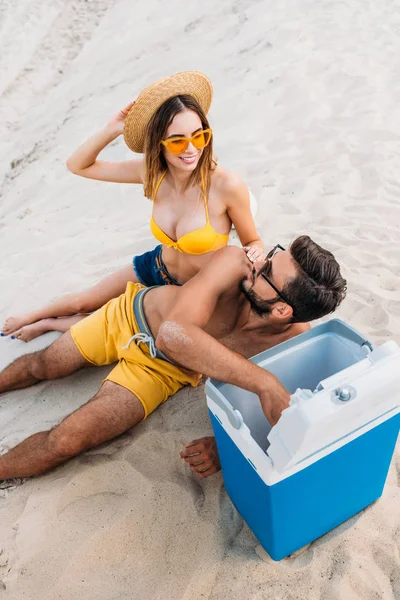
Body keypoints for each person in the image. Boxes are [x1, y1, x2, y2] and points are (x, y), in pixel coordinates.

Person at [0, 236, 346, 482]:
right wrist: (264, 382)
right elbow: (173, 334)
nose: (259, 261)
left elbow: (293, 416)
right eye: (273, 254)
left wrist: (226, 449)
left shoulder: (296, 342)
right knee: (43, 366)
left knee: (67, 440)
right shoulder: (232, 263)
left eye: (268, 269)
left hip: (162, 372)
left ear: (283, 309)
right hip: (127, 317)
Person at [1, 71, 263, 343]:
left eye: (199, 136)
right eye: (177, 140)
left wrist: (254, 252)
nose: (190, 149)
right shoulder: (152, 173)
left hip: (189, 291)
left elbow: (253, 240)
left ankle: (51, 326)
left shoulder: (225, 185)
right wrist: (113, 128)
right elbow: (78, 165)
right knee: (82, 302)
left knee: (110, 323)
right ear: (158, 144)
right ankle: (35, 316)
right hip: (157, 265)